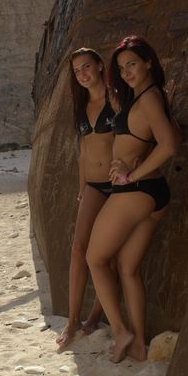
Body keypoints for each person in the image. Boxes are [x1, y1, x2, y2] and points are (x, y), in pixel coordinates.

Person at [86, 35, 180, 363]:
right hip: (153, 193)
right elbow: (175, 135)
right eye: (122, 67)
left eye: (132, 64)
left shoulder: (150, 98)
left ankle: (120, 330)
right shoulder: (150, 96)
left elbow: (170, 146)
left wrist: (131, 174)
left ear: (149, 63)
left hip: (135, 191)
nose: (126, 72)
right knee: (127, 268)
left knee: (95, 259)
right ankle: (139, 344)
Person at [56, 47, 115, 350]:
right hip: (93, 186)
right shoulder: (81, 106)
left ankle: (94, 316)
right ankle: (72, 321)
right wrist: (82, 187)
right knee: (79, 248)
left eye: (86, 67)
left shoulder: (117, 100)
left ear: (100, 66)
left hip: (117, 186)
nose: (82, 74)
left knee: (105, 255)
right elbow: (83, 152)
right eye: (77, 71)